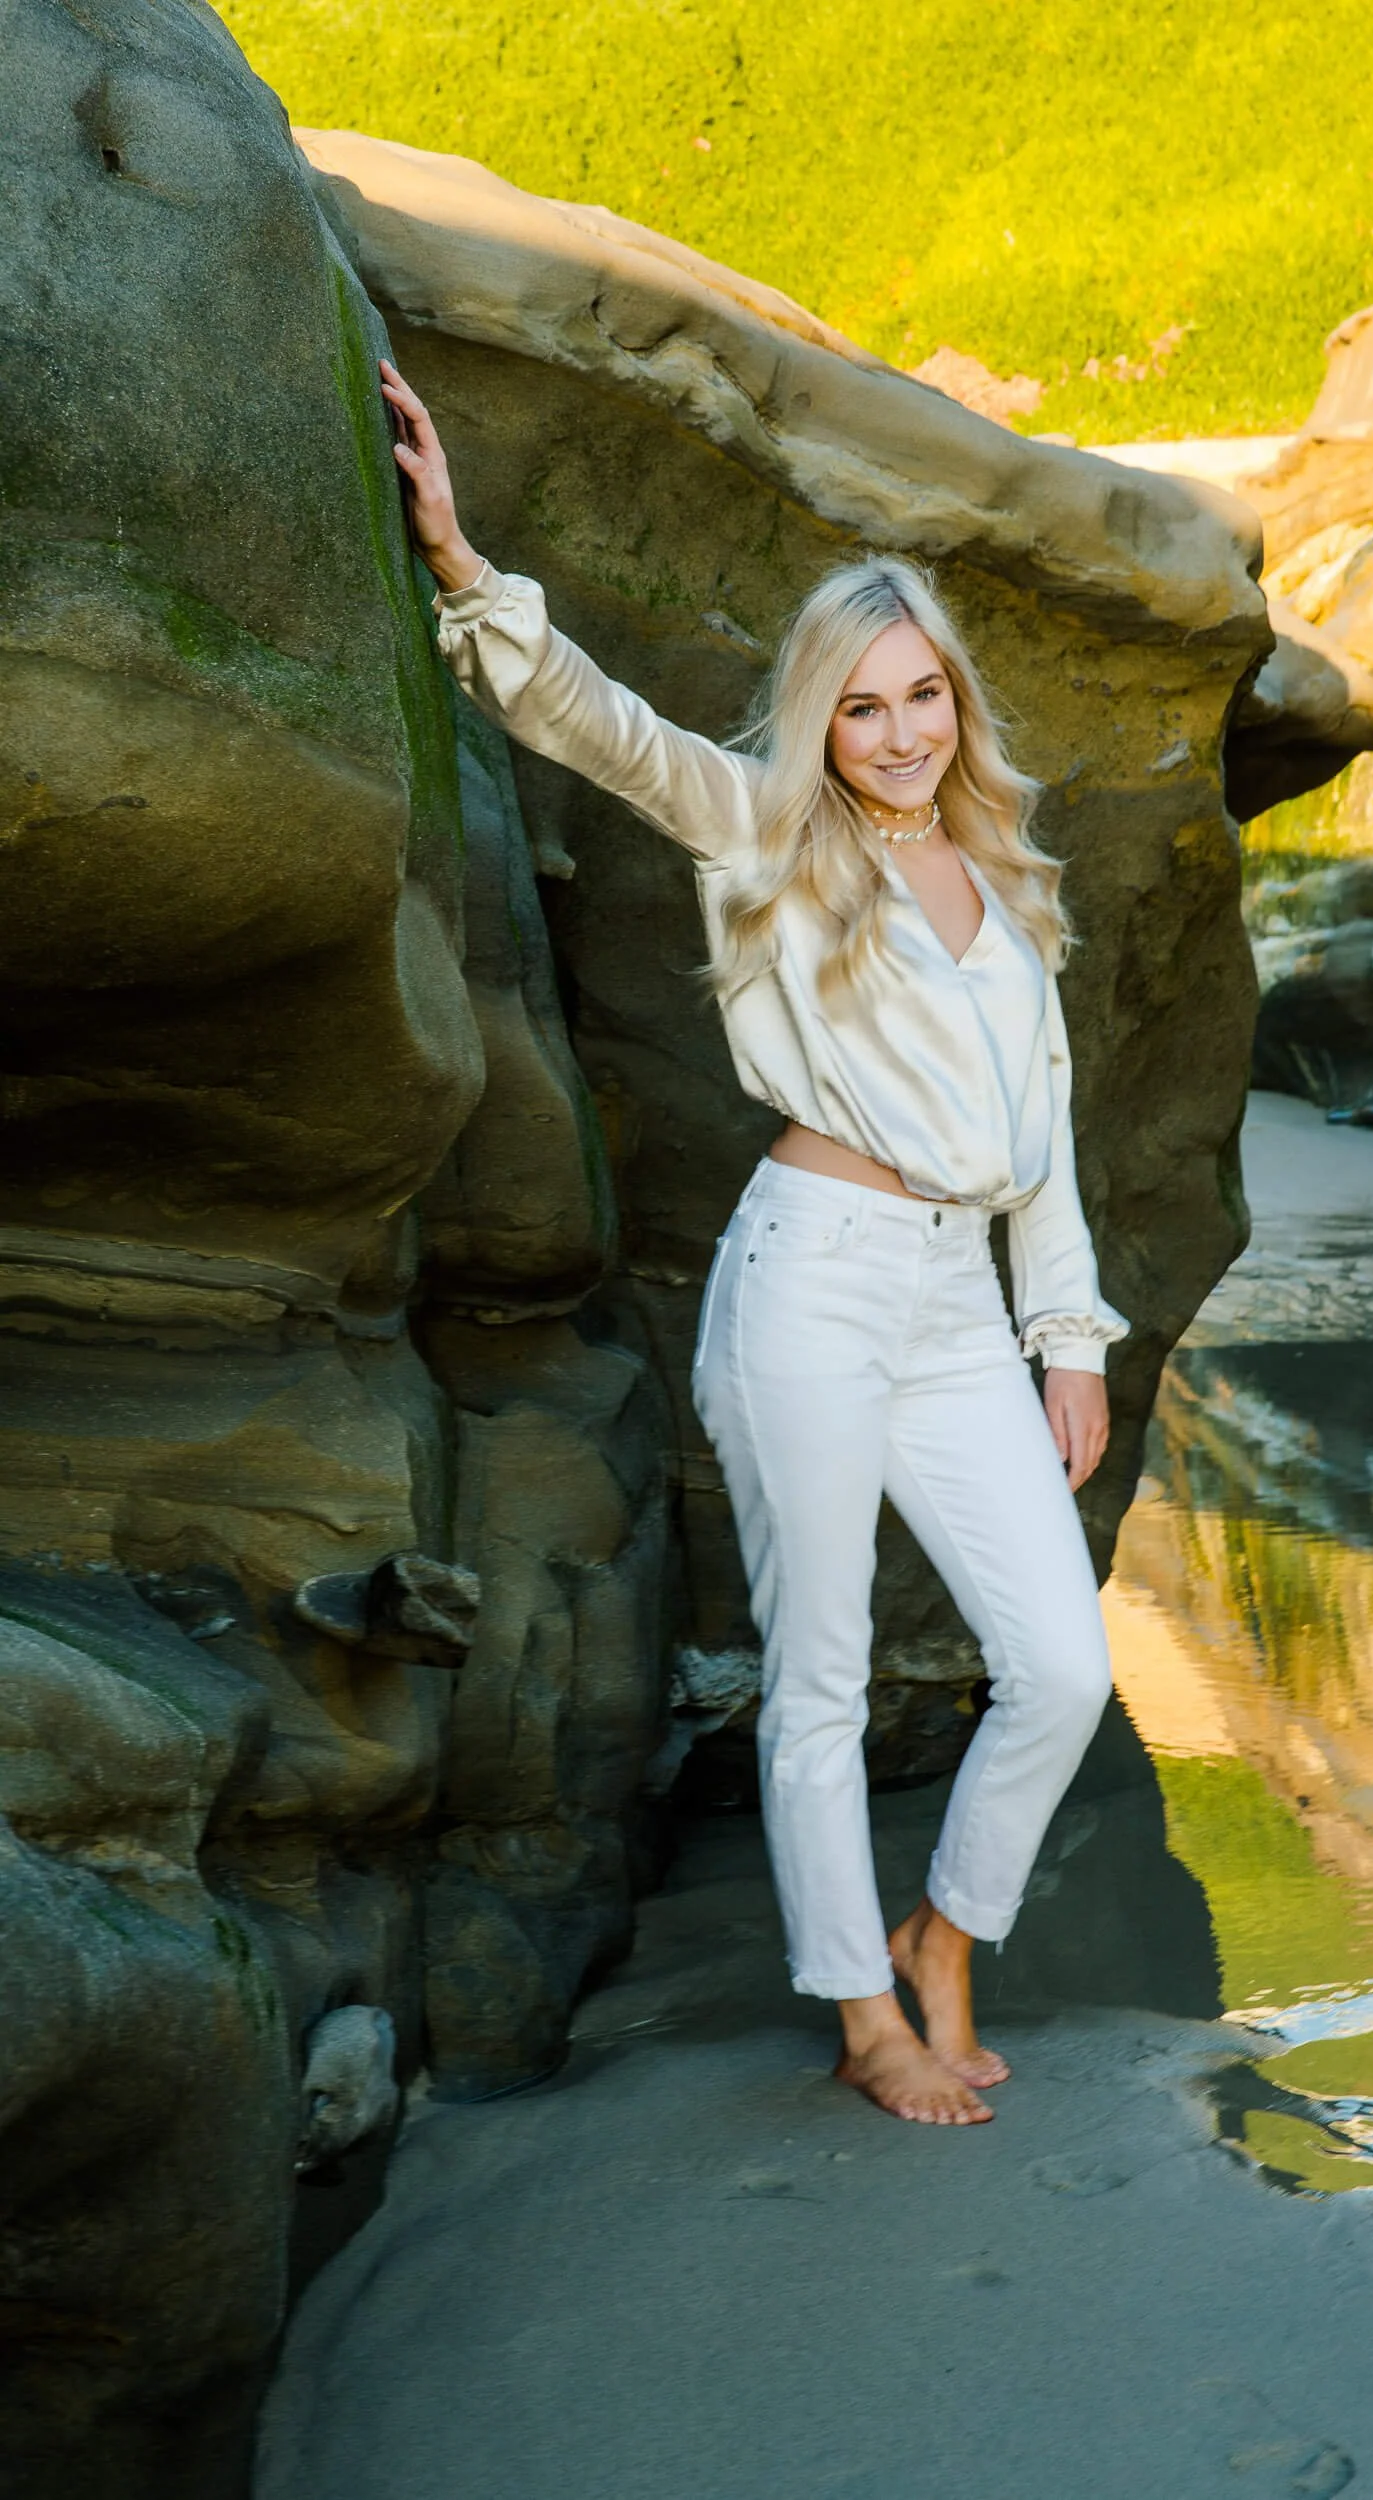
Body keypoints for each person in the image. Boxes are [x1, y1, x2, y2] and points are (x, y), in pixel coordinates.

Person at [381, 360, 1126, 2127]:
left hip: (963, 1308)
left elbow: (1049, 1137)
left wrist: (1069, 1336)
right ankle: (864, 2013)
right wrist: (464, 573)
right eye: (861, 708)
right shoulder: (770, 836)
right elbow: (611, 732)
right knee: (819, 1672)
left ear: (956, 702)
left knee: (1063, 1664)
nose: (898, 735)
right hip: (813, 1277)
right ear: (820, 721)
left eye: (920, 696)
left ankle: (946, 1931)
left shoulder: (1003, 883)